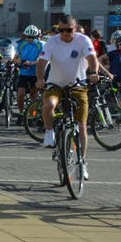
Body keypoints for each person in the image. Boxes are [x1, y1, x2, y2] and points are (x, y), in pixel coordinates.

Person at [36, 13, 100, 180]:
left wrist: (93, 73)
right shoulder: (52, 42)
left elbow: (92, 58)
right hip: (55, 84)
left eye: (68, 30)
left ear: (75, 27)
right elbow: (42, 61)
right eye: (61, 30)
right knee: (49, 104)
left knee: (82, 124)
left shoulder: (83, 40)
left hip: (77, 85)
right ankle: (49, 132)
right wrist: (40, 79)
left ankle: (82, 162)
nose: (64, 34)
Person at [15, 26, 45, 120]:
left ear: (37, 36)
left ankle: (33, 115)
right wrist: (22, 62)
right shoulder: (21, 45)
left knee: (33, 96)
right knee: (20, 94)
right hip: (23, 73)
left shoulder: (41, 44)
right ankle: (20, 113)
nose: (30, 39)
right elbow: (14, 59)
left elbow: (42, 59)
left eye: (32, 37)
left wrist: (31, 63)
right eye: (28, 37)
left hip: (35, 73)